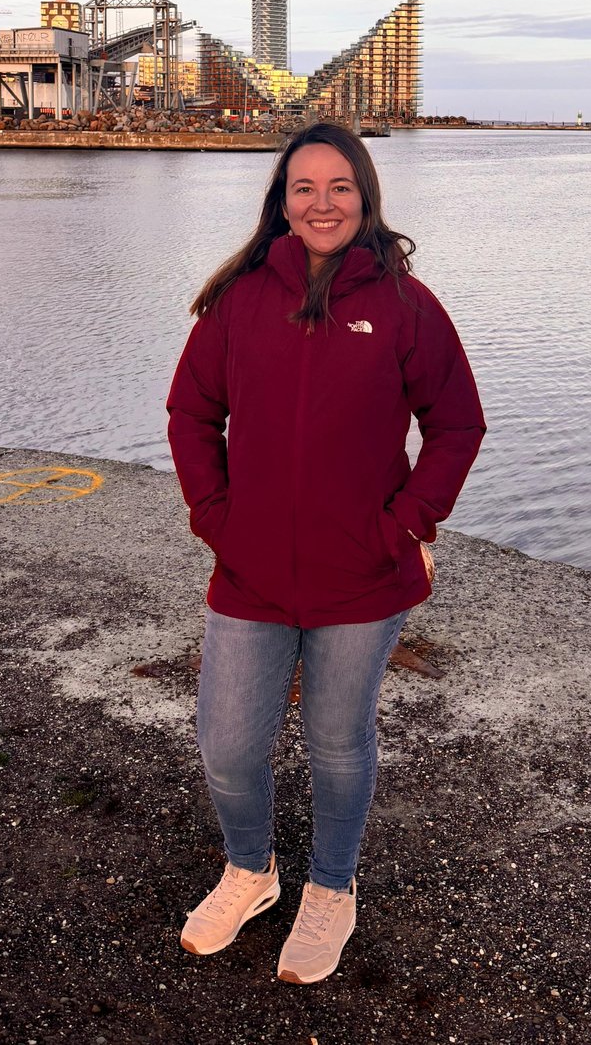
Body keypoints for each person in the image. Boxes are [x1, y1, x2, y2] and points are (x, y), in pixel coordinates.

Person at [166, 120, 486, 984]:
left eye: (339, 187)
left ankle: (331, 891)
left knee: (338, 741)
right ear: (281, 201)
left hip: (364, 575)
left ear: (365, 196)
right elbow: (191, 414)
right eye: (303, 188)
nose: (322, 203)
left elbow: (457, 425)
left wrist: (406, 524)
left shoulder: (406, 306)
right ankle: (251, 871)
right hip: (251, 567)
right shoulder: (238, 300)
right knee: (229, 742)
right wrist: (217, 517)